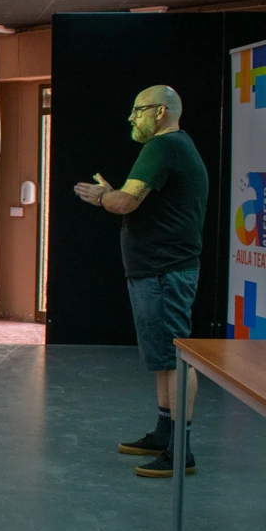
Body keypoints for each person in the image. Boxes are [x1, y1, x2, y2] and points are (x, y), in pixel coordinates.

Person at [72, 84, 209, 478]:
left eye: (139, 110)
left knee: (176, 358)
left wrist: (102, 196)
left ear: (162, 113)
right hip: (159, 270)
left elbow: (126, 202)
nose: (131, 117)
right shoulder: (175, 148)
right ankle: (166, 433)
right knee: (165, 358)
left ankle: (180, 449)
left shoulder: (163, 147)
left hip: (165, 271)